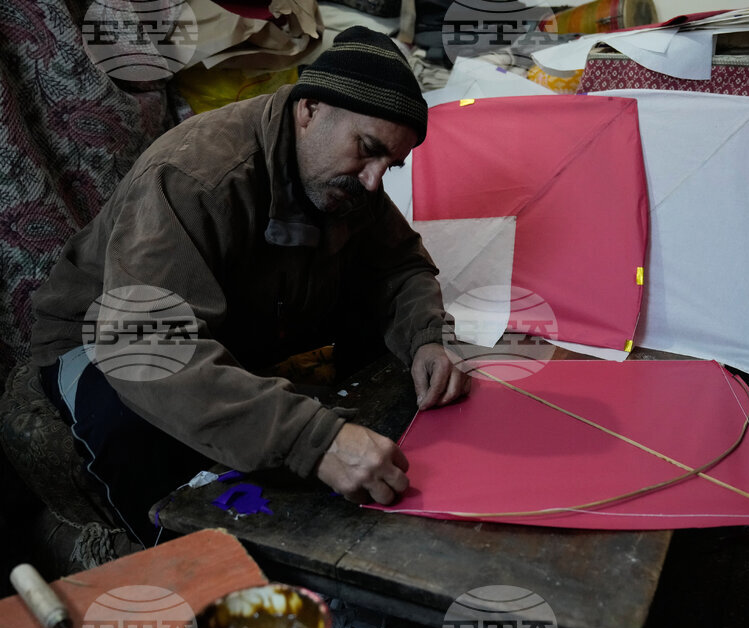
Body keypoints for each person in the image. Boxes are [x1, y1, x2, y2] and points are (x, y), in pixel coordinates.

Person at [29, 26, 469, 546]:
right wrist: (315, 439)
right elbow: (145, 346)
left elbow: (399, 267)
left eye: (389, 165)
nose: (375, 181)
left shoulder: (342, 172)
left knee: (385, 339)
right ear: (309, 111)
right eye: (368, 151)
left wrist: (426, 339)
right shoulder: (195, 176)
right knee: (136, 428)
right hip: (108, 337)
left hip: (239, 322)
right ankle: (200, 576)